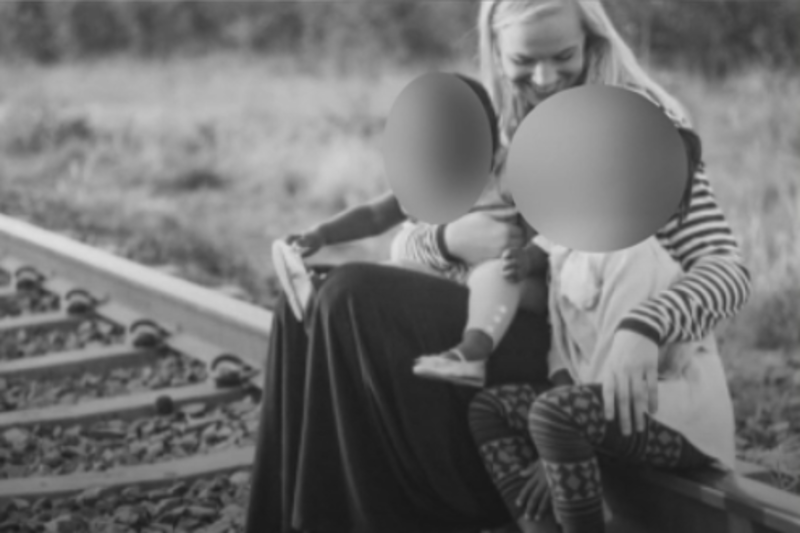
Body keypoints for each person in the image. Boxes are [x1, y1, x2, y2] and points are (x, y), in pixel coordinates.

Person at [244, 0, 751, 531]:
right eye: (524, 60)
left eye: (563, 55)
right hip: (527, 327)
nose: (545, 78)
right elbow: (406, 237)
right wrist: (447, 240)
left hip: (597, 346)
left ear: (592, 39)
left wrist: (647, 327)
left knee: (351, 298)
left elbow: (725, 267)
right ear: (495, 49)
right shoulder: (499, 119)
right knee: (309, 305)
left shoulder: (637, 121)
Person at [272, 73, 547, 388]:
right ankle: (318, 295)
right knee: (383, 276)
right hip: (439, 278)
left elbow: (541, 234)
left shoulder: (506, 174)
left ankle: (472, 354)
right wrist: (322, 234)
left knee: (494, 276)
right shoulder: (427, 176)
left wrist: (527, 258)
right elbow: (374, 216)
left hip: (494, 282)